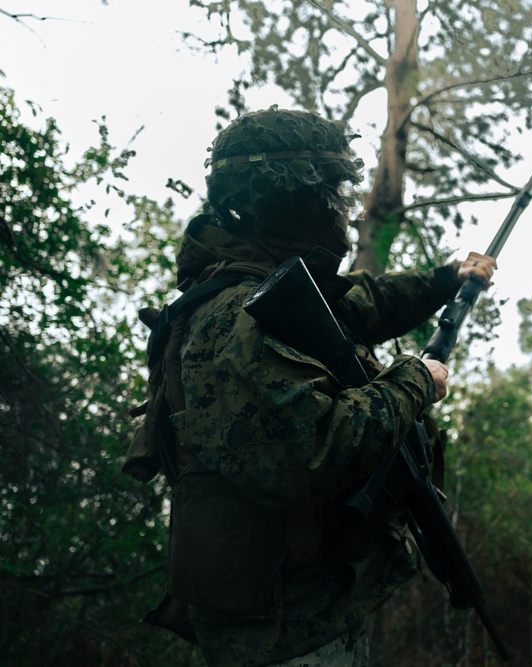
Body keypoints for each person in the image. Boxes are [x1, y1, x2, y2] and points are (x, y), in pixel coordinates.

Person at [123, 107, 498, 666]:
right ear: (300, 201)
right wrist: (416, 380)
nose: (343, 212)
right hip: (283, 635)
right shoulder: (237, 315)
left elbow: (366, 303)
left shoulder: (271, 284)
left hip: (305, 614)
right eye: (335, 195)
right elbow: (313, 452)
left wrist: (447, 281)